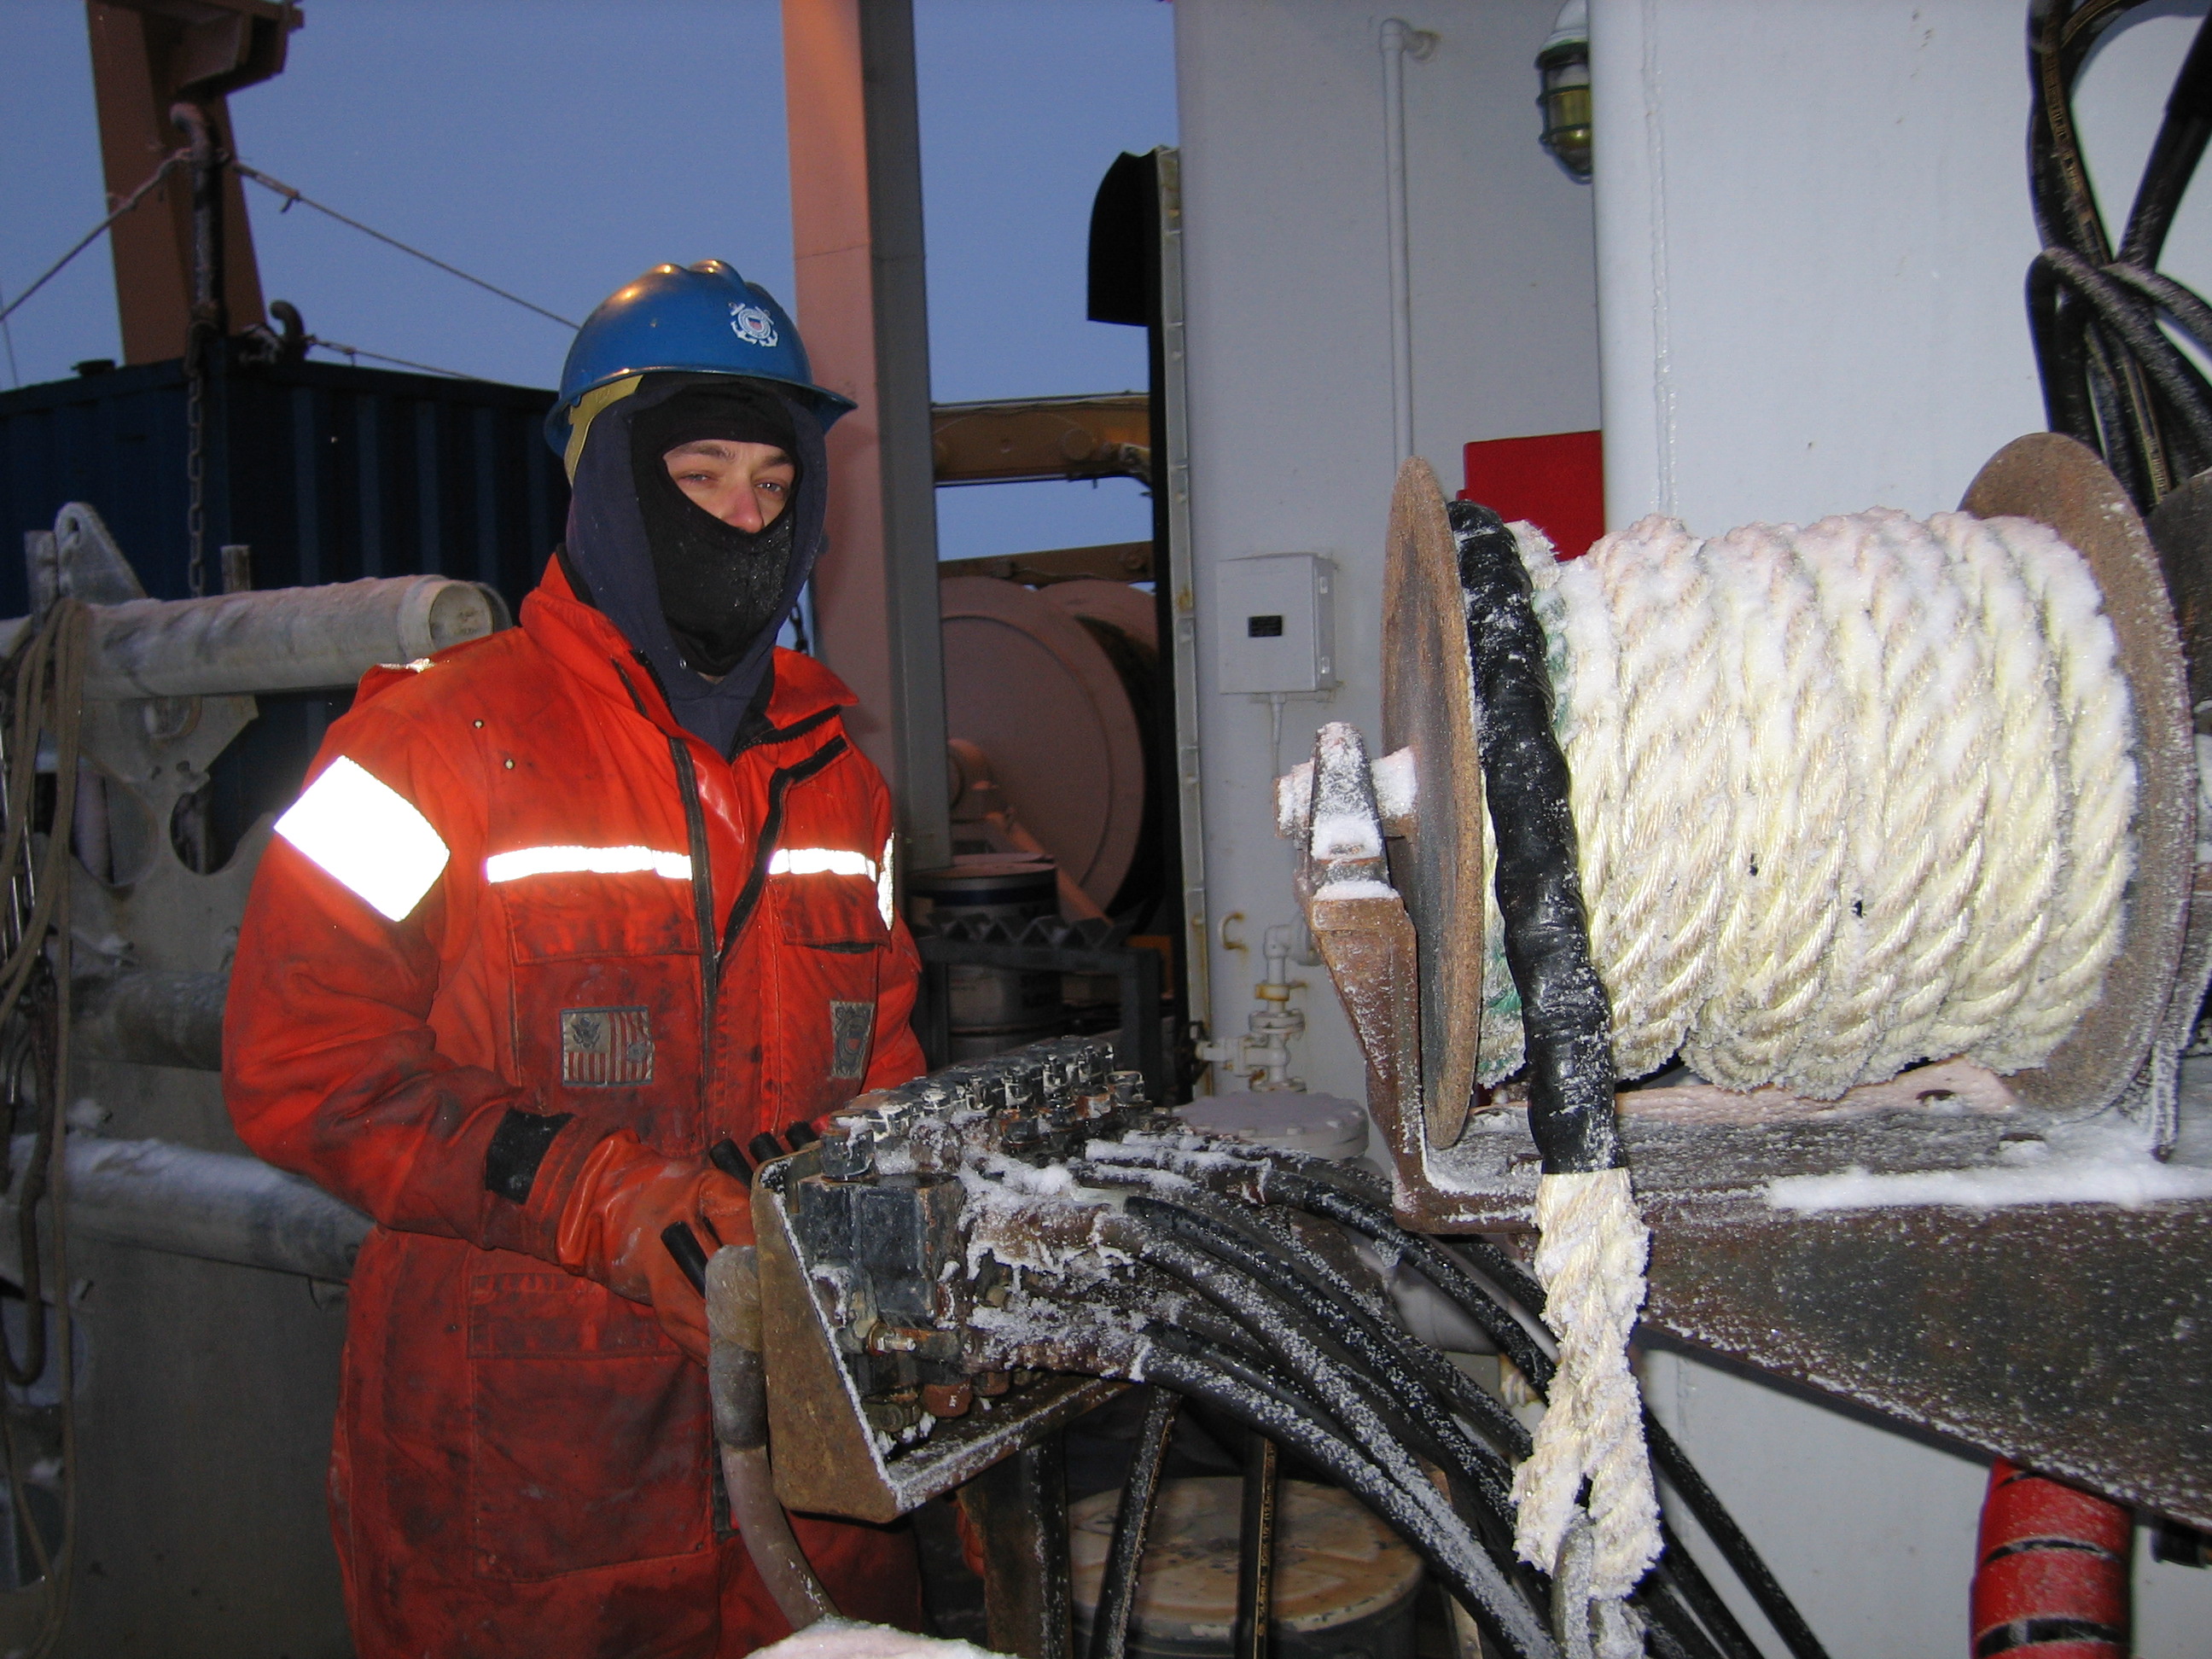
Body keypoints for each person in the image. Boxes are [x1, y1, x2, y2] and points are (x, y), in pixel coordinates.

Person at [223, 261, 927, 1657]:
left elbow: (886, 1073)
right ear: (604, 480)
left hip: (811, 1481)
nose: (743, 516)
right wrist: (603, 1200)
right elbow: (305, 1065)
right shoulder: (423, 745)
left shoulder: (840, 783)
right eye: (700, 473)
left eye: (774, 483)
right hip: (530, 1495)